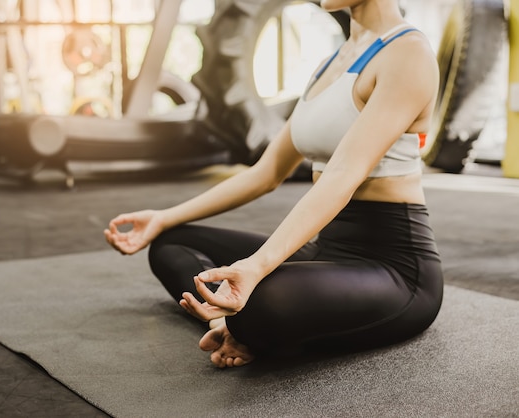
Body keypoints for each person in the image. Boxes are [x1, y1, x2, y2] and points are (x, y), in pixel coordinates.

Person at [104, 0, 443, 368]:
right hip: (326, 249)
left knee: (261, 300)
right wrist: (163, 216)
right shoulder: (331, 63)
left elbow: (344, 173)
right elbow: (264, 173)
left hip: (394, 268)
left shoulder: (408, 53)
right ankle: (228, 325)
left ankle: (244, 325)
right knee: (172, 243)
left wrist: (257, 266)